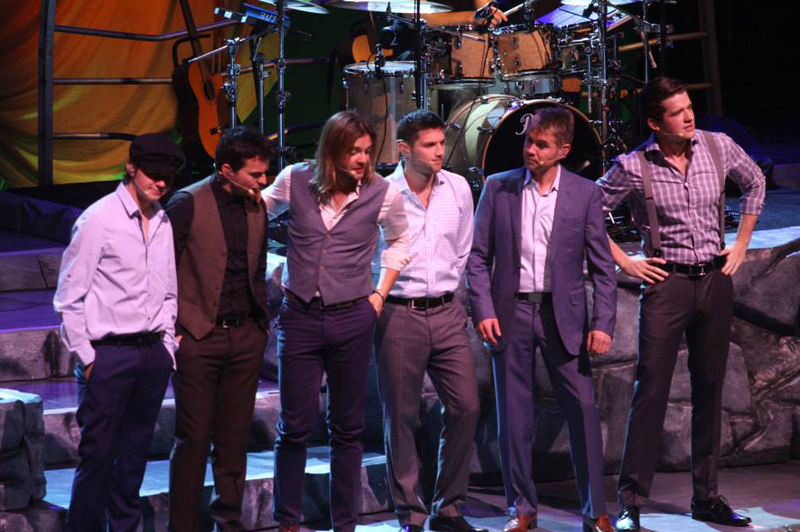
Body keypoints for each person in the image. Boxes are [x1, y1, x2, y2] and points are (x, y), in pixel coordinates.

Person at [596, 77, 766, 532]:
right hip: (667, 284)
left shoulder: (717, 146)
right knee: (651, 390)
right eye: (677, 112)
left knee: (710, 387)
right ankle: (631, 501)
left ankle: (706, 497)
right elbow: (586, 211)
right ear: (655, 122)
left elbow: (755, 181)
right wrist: (625, 262)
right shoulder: (634, 166)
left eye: (689, 107)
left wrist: (741, 243)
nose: (689, 117)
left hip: (713, 279)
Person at [466, 107, 617, 532]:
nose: (530, 150)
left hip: (561, 315)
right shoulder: (498, 187)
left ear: (563, 150)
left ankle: (595, 510)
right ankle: (521, 509)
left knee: (583, 410)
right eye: (529, 141)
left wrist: (603, 322)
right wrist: (484, 309)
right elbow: (477, 258)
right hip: (510, 313)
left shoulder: (585, 194)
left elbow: (602, 266)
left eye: (541, 144)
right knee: (515, 418)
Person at [262, 110, 411, 532]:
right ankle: (288, 521)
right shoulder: (295, 179)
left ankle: (344, 523)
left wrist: (379, 294)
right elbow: (258, 211)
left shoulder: (383, 192)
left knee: (347, 429)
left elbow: (400, 240)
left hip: (352, 318)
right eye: (354, 151)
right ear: (332, 150)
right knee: (294, 426)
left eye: (367, 150)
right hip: (301, 317)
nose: (362, 159)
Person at [54, 133, 184, 532]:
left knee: (134, 456)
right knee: (97, 456)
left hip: (151, 354)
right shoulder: (99, 219)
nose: (160, 183)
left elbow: (168, 289)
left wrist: (166, 346)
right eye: (153, 174)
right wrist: (88, 357)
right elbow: (69, 296)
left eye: (168, 177)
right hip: (109, 354)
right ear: (131, 168)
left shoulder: (162, 221)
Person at [373, 110, 482, 532]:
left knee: (466, 407)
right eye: (430, 145)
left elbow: (464, 247)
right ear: (404, 149)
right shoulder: (383, 193)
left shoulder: (458, 188)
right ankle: (411, 515)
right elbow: (371, 255)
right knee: (402, 416)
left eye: (441, 143)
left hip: (448, 311)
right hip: (400, 312)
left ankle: (448, 507)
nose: (440, 152)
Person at [165, 126, 271, 532]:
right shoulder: (187, 203)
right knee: (192, 439)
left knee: (233, 438)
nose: (263, 181)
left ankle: (228, 520)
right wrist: (174, 328)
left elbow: (257, 267)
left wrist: (260, 325)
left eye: (265, 173)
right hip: (197, 336)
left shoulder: (256, 206)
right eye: (255, 175)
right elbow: (161, 269)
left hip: (244, 336)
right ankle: (183, 526)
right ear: (226, 170)